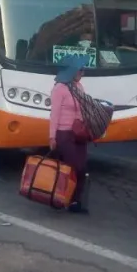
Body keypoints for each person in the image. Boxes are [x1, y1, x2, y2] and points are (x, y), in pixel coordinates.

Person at [49, 55, 92, 213]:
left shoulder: (79, 87)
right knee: (73, 167)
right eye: (80, 69)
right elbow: (54, 115)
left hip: (78, 133)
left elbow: (84, 108)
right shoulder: (59, 89)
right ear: (71, 71)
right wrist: (52, 137)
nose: (82, 72)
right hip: (64, 134)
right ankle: (61, 197)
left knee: (82, 168)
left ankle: (75, 202)